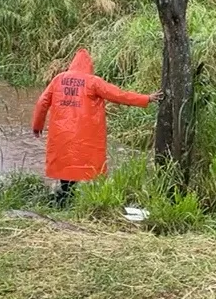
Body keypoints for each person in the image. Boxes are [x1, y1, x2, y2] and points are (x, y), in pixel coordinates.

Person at [31, 48, 163, 205]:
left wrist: (37, 125)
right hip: (83, 134)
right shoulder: (93, 82)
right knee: (81, 164)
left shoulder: (58, 79)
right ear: (89, 66)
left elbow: (42, 102)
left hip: (61, 133)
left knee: (65, 164)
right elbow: (119, 95)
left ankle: (64, 196)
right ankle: (72, 198)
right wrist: (146, 98)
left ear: (72, 65)